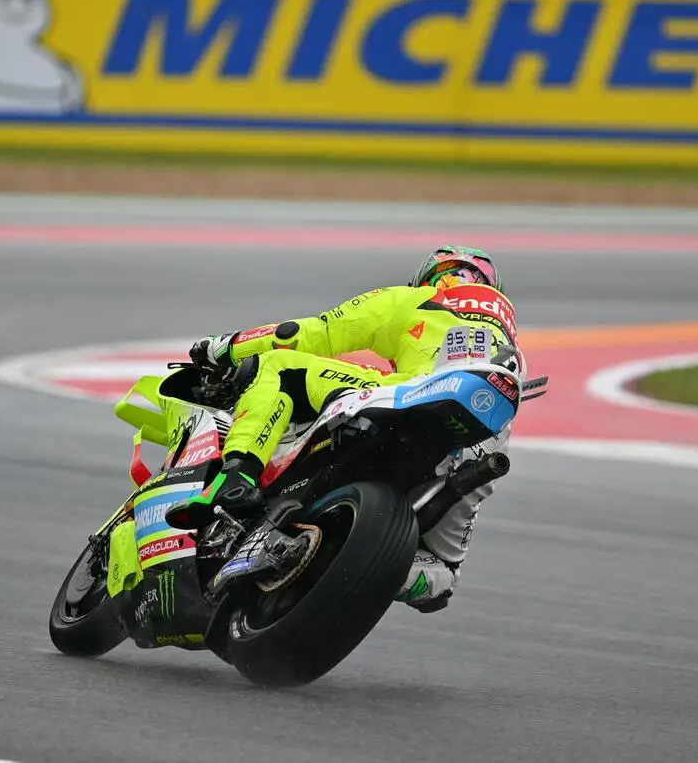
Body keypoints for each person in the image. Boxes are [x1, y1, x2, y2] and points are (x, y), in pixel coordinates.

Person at [165, 245, 521, 612]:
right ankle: (384, 570)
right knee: (443, 574)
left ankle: (236, 478)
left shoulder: (417, 298)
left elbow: (308, 333)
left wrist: (225, 348)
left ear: (429, 277)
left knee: (278, 366)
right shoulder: (508, 341)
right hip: (481, 444)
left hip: (411, 393)